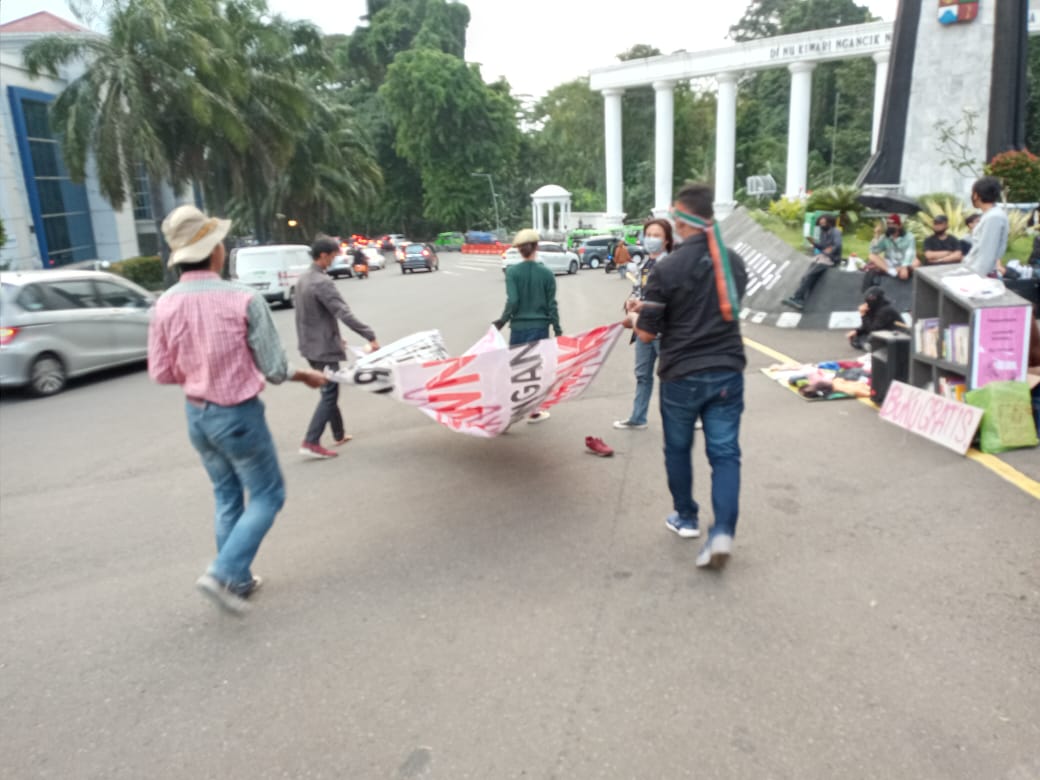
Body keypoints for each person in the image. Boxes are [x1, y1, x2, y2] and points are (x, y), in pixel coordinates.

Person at [147, 205, 327, 615]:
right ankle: (222, 571)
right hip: (238, 416)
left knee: (227, 496)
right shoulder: (242, 298)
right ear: (215, 251)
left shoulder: (164, 305)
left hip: (198, 416)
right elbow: (275, 369)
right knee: (267, 495)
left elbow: (160, 372)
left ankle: (239, 581)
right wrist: (308, 377)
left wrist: (197, 371)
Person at [630, 183, 748, 570]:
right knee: (725, 453)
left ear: (682, 220)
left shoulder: (666, 268)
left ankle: (686, 517)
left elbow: (646, 333)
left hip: (681, 375)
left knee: (678, 449)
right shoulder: (734, 262)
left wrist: (636, 313)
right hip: (728, 372)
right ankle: (723, 532)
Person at [296, 236, 380, 459]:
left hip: (309, 345)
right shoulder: (321, 282)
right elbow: (342, 312)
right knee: (330, 394)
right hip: (322, 348)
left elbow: (311, 316)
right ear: (323, 256)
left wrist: (334, 337)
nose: (334, 261)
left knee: (328, 389)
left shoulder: (304, 279)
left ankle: (338, 433)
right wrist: (369, 335)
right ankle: (311, 441)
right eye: (333, 256)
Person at [493, 228, 563, 423]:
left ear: (519, 250)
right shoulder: (547, 274)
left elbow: (513, 300)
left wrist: (502, 320)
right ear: (536, 247)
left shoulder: (513, 273)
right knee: (535, 371)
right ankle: (533, 411)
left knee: (516, 370)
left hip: (518, 329)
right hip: (540, 328)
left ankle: (512, 410)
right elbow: (552, 305)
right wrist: (557, 329)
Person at [614, 217, 674, 430]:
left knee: (672, 377)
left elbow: (668, 300)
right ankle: (638, 417)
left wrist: (641, 307)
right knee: (642, 375)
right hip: (643, 328)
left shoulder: (671, 265)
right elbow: (639, 291)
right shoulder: (644, 264)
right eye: (648, 235)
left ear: (667, 240)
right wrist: (630, 304)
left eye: (656, 236)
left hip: (664, 330)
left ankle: (687, 417)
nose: (651, 240)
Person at [783, 213, 843, 309]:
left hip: (831, 259)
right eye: (820, 223)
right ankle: (800, 298)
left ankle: (798, 299)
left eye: (823, 223)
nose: (821, 225)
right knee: (805, 276)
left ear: (829, 223)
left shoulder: (835, 232)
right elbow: (823, 247)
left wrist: (830, 250)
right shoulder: (823, 232)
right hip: (822, 257)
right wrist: (814, 243)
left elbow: (838, 244)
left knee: (809, 275)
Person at [961, 176, 1009, 277]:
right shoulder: (989, 215)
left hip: (981, 276)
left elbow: (987, 254)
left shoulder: (994, 217)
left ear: (976, 195)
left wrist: (976, 280)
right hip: (974, 271)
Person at [863, 214, 915, 291]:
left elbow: (910, 253)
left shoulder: (909, 237)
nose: (890, 226)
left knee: (915, 263)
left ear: (899, 226)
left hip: (904, 262)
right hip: (889, 264)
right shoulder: (885, 237)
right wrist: (876, 235)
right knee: (872, 256)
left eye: (893, 224)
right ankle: (891, 271)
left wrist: (904, 267)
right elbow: (874, 251)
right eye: (888, 224)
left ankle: (895, 270)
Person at [845, 285, 907, 350]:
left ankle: (870, 346)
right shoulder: (874, 308)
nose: (869, 301)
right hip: (883, 332)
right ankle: (869, 345)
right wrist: (857, 331)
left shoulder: (885, 310)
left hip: (897, 336)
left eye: (872, 298)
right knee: (856, 337)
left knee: (869, 338)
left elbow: (873, 330)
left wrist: (863, 315)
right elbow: (868, 324)